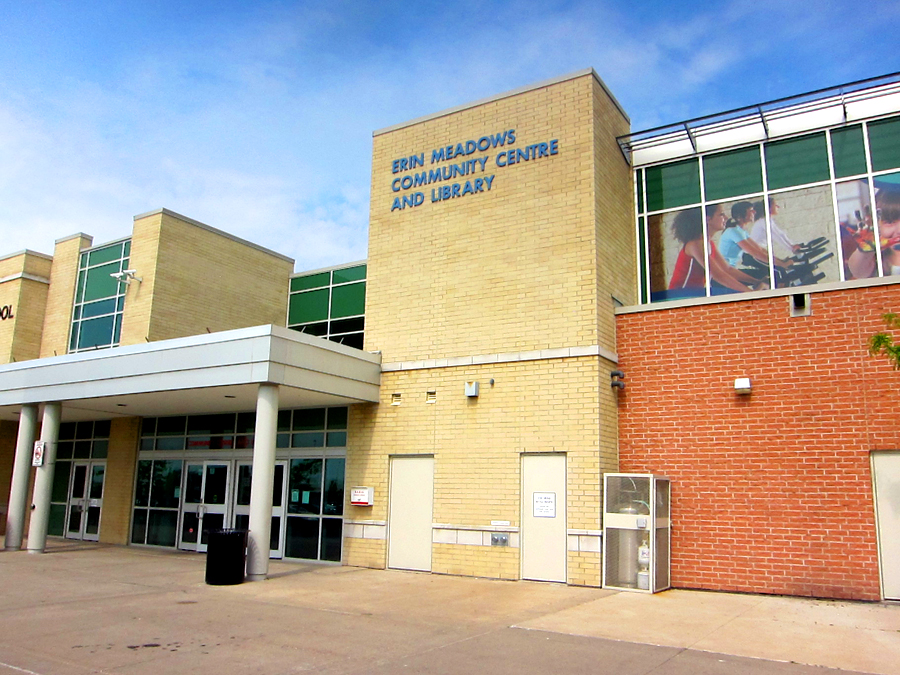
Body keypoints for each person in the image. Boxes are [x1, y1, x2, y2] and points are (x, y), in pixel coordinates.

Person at [669, 205, 767, 293]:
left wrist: (756, 281)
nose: (726, 218)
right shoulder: (695, 244)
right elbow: (719, 275)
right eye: (721, 214)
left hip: (693, 295)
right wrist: (750, 292)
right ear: (708, 219)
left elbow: (728, 269)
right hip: (679, 296)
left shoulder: (709, 243)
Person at [719, 202, 792, 269]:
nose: (754, 212)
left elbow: (760, 249)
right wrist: (782, 264)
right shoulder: (733, 231)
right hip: (728, 271)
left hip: (733, 269)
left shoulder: (742, 232)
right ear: (740, 215)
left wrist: (781, 261)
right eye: (751, 210)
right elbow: (756, 253)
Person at [848, 187, 900, 278]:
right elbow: (858, 271)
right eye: (889, 222)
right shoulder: (874, 261)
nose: (899, 230)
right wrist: (865, 250)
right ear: (876, 225)